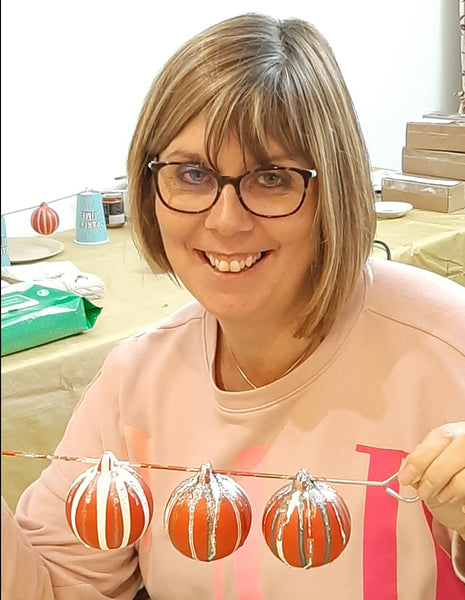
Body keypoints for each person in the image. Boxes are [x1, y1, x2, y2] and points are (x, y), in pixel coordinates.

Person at [2, 12, 464, 600]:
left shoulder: (449, 350)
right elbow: (56, 587)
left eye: (271, 177)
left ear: (336, 187)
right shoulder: (138, 382)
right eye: (192, 173)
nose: (225, 220)